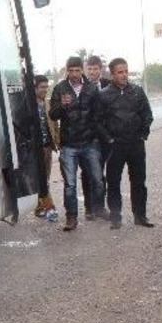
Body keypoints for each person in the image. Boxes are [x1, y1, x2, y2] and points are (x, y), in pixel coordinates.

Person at [96, 58, 154, 229]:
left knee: (139, 181)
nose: (124, 75)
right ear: (112, 74)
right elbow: (98, 121)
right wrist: (109, 139)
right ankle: (116, 217)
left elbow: (147, 115)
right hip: (115, 146)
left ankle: (140, 216)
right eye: (120, 72)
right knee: (113, 182)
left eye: (126, 71)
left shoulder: (137, 91)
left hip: (136, 144)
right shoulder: (104, 95)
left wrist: (143, 134)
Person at [49, 56, 105, 231]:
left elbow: (99, 114)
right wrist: (62, 106)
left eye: (77, 70)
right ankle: (71, 217)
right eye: (70, 70)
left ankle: (98, 209)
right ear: (67, 70)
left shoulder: (91, 88)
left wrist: (98, 137)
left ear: (82, 70)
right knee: (70, 185)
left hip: (90, 142)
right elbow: (52, 115)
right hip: (69, 144)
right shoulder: (60, 89)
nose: (74, 74)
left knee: (97, 180)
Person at [81, 55, 112, 219]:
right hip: (87, 138)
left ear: (101, 70)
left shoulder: (108, 85)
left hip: (105, 138)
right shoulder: (81, 87)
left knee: (101, 174)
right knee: (88, 173)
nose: (92, 72)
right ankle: (89, 208)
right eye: (90, 69)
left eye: (95, 69)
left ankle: (100, 207)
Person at [33, 75, 60, 219]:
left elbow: (54, 125)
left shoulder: (48, 104)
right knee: (40, 179)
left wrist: (58, 142)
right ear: (35, 88)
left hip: (47, 147)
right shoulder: (28, 106)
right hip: (33, 150)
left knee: (45, 178)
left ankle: (40, 207)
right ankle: (49, 207)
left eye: (46, 87)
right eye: (42, 87)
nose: (45, 89)